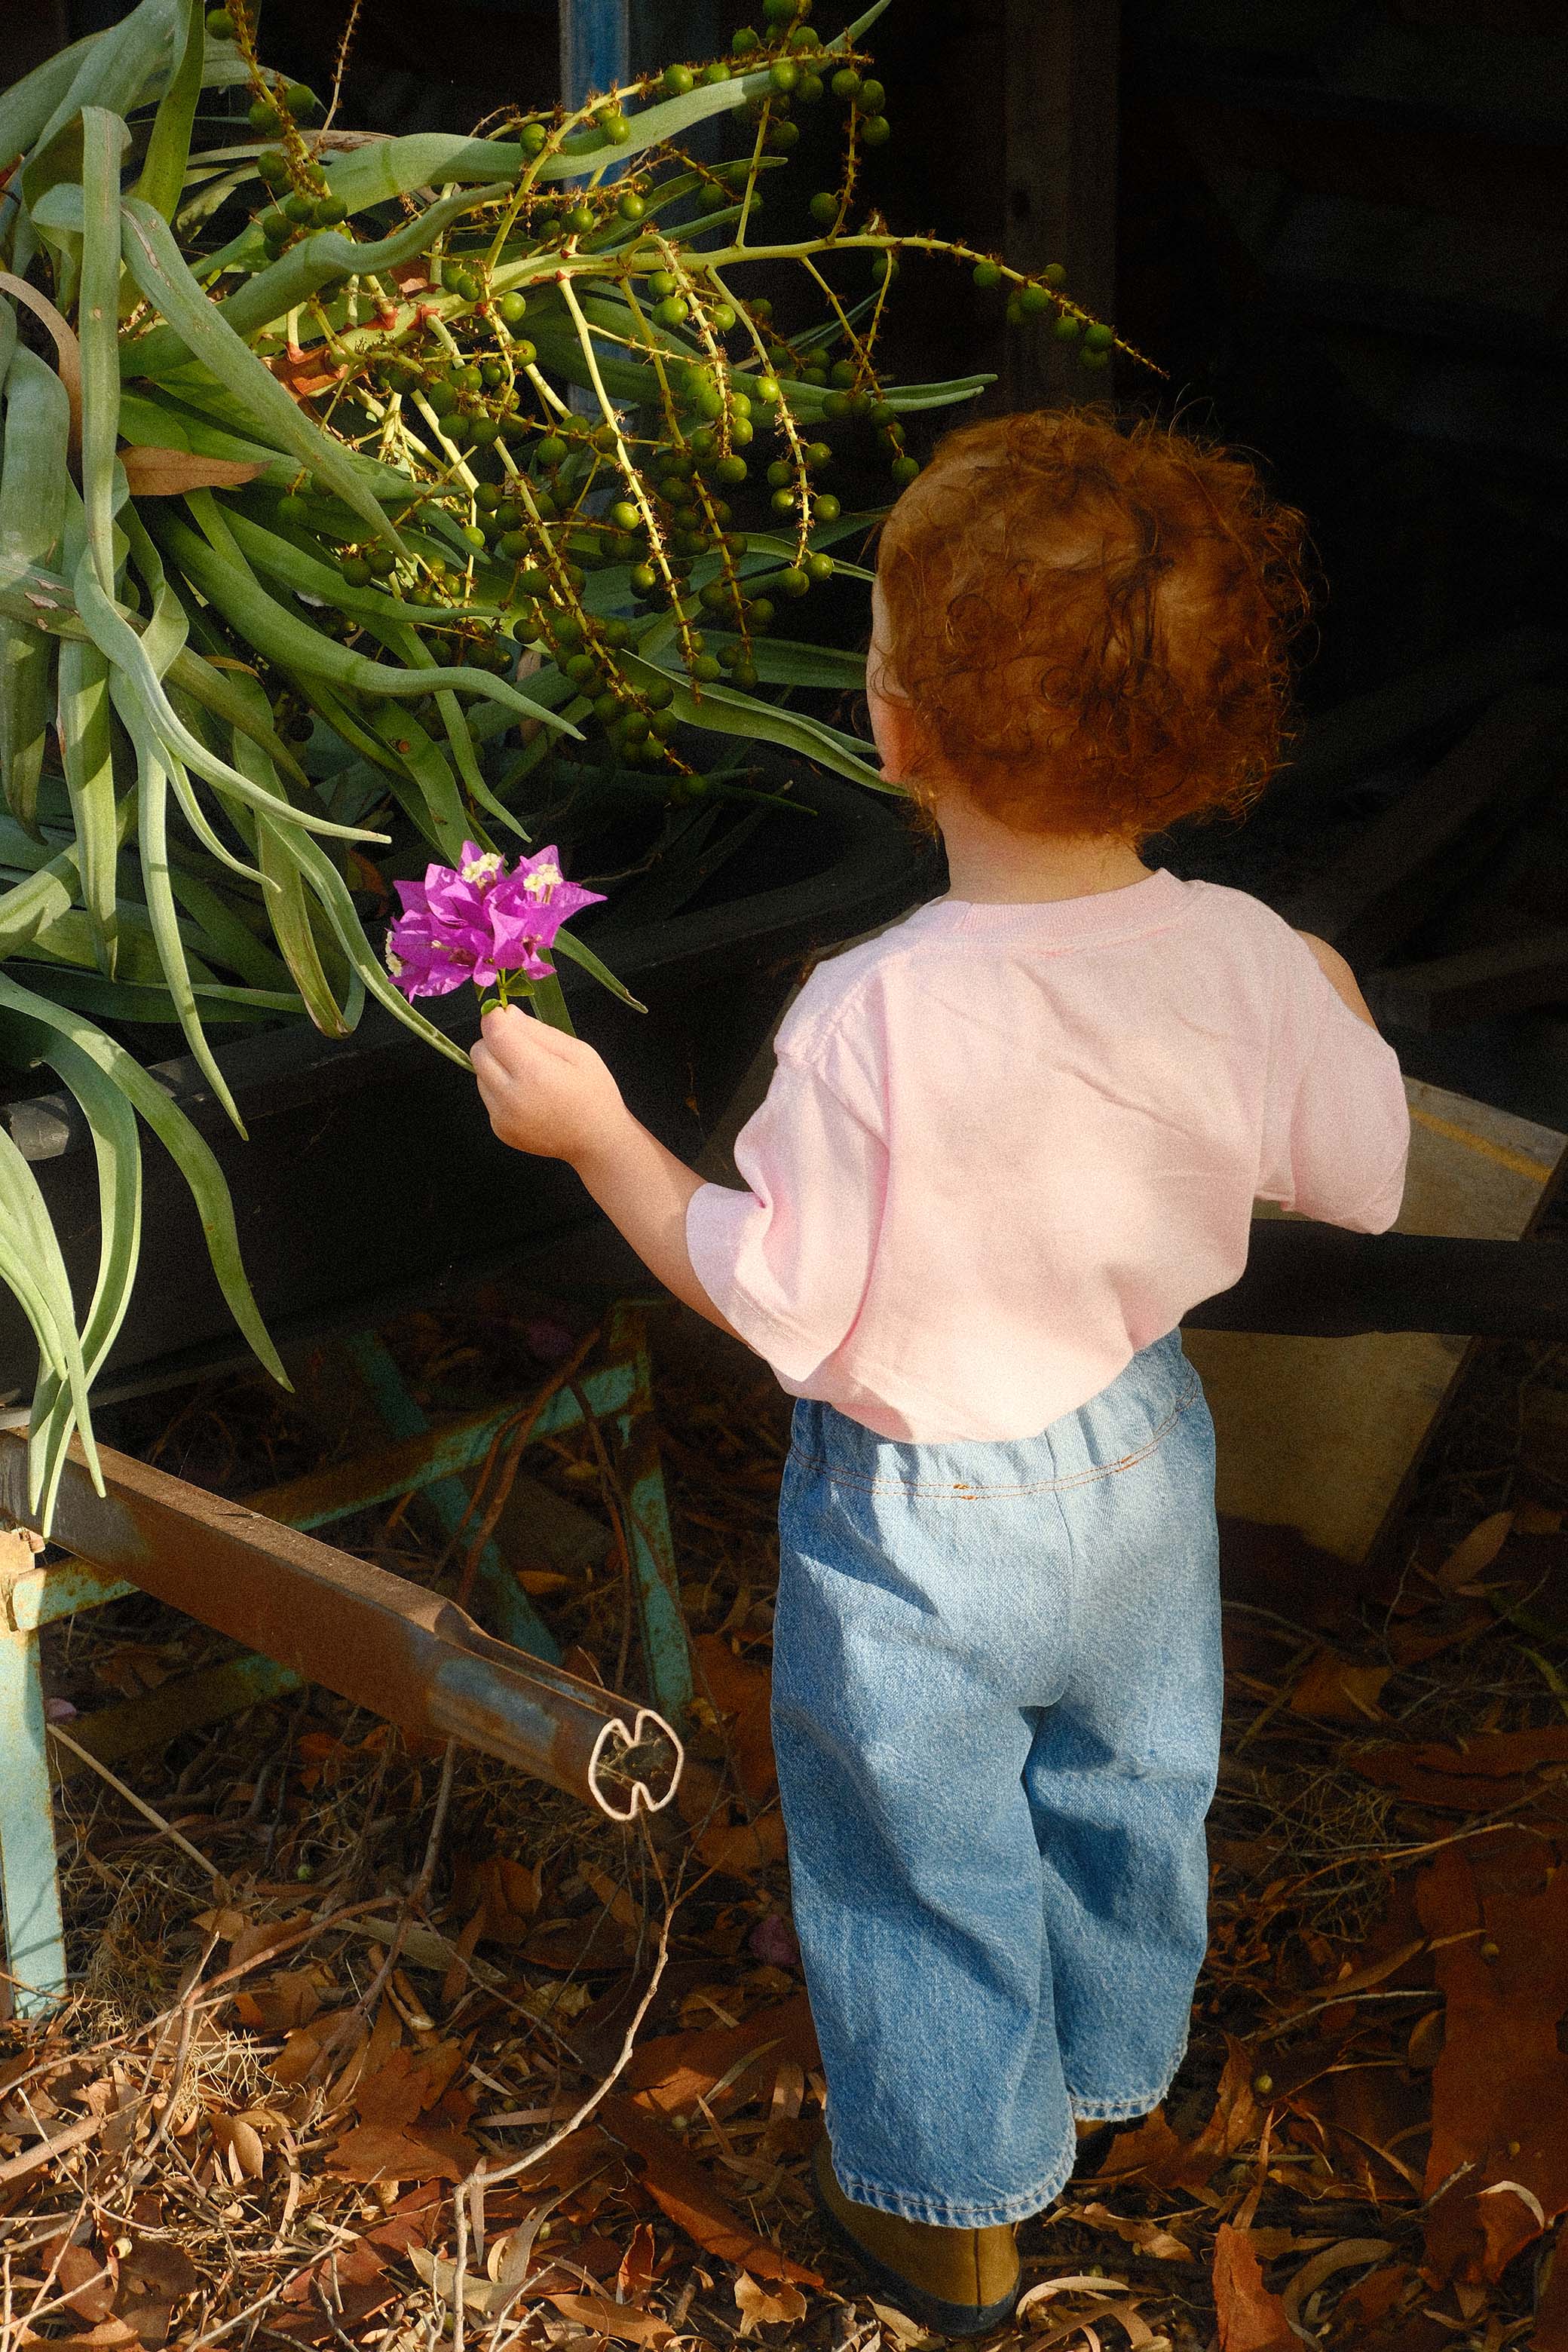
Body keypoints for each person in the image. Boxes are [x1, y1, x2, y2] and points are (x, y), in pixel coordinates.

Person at [470, 405, 1411, 2338]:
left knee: (920, 1853)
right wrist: (1323, 995)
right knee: (1132, 1783)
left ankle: (947, 2208)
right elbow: (1364, 1175)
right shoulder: (1238, 950)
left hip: (919, 1528)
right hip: (1140, 1460)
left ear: (896, 731)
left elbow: (774, 1302)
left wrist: (598, 1137)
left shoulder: (871, 1016)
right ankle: (1102, 2077)